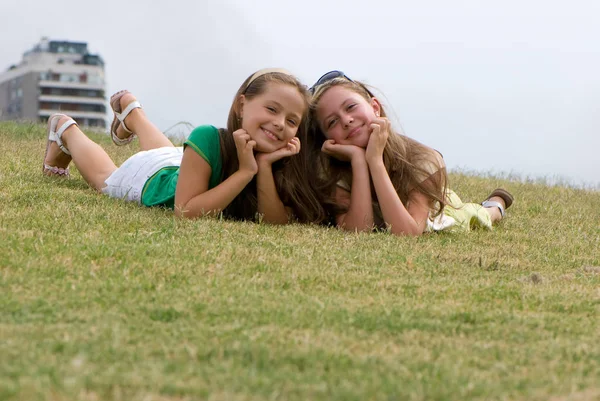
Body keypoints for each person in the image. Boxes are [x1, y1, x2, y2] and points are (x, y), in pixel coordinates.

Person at [42, 68, 326, 224]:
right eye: (272, 109)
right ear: (242, 104)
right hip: (154, 180)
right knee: (106, 178)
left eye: (291, 120)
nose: (279, 123)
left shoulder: (284, 159)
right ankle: (65, 129)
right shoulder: (208, 137)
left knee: (166, 155)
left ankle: (133, 114)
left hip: (182, 164)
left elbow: (274, 224)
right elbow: (186, 212)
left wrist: (262, 168)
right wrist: (243, 173)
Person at [307, 71, 514, 236]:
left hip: (439, 211)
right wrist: (360, 162)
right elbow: (359, 230)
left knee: (477, 215)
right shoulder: (335, 171)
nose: (346, 120)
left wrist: (375, 161)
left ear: (375, 107)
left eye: (351, 107)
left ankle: (496, 204)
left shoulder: (423, 160)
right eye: (332, 122)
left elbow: (407, 233)